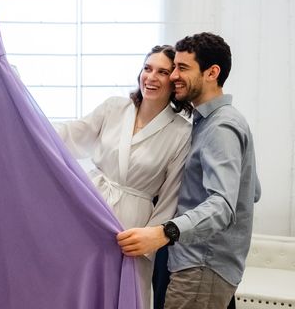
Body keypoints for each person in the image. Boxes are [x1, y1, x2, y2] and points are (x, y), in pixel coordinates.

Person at [117, 32, 261, 309]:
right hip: (202, 264)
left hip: (201, 266)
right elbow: (251, 191)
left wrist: (163, 232)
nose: (173, 76)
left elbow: (223, 206)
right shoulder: (209, 122)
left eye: (183, 68)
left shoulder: (220, 128)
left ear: (212, 73)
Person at [54, 44, 192, 307]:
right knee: (82, 291)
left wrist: (150, 238)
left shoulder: (181, 132)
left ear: (174, 80)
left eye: (162, 72)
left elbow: (171, 196)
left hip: (133, 228)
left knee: (125, 297)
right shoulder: (114, 108)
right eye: (147, 68)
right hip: (90, 212)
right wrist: (29, 122)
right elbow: (72, 134)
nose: (151, 77)